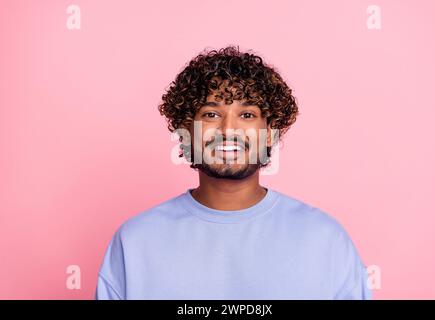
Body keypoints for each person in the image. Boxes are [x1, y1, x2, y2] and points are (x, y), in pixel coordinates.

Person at [95, 46, 372, 300]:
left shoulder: (325, 240)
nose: (229, 130)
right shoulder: (134, 242)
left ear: (269, 132)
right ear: (187, 130)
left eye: (247, 115)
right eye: (211, 114)